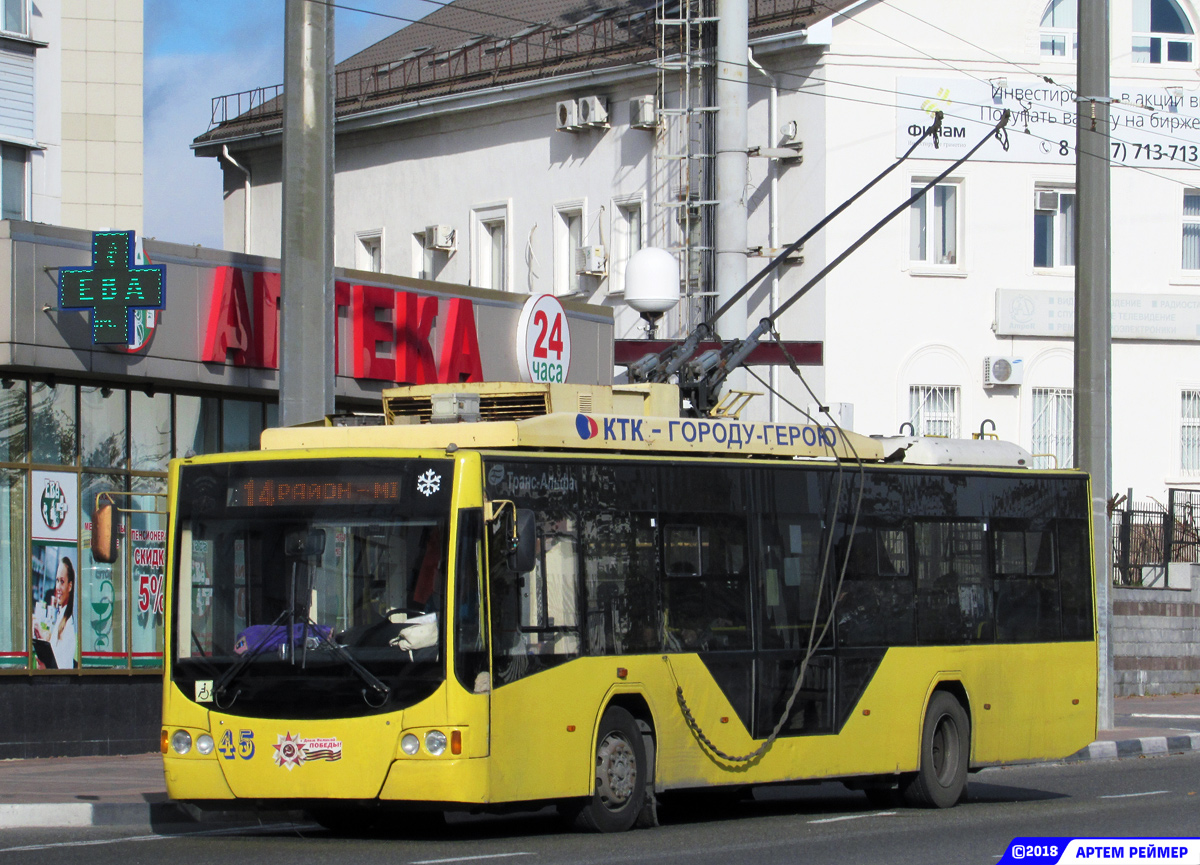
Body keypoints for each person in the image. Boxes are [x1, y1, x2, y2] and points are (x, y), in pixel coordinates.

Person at [35, 557, 76, 669]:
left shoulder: (68, 624)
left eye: (62, 581)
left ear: (70, 586)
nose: (57, 587)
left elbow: (63, 670)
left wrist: (45, 668)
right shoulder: (61, 615)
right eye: (57, 581)